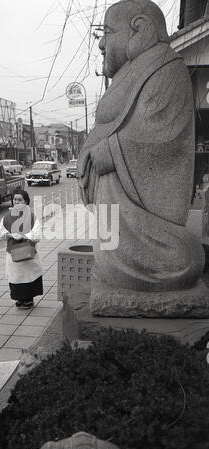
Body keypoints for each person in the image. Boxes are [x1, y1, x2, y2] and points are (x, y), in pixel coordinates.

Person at [77, 0, 205, 312]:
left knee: (180, 260)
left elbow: (162, 135)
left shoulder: (166, 69)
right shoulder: (134, 70)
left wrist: (108, 150)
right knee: (109, 257)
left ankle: (150, 260)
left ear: (139, 28)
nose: (102, 43)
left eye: (107, 32)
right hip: (114, 209)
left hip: (139, 214)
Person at [0, 188, 43, 309]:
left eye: (20, 200)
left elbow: (37, 235)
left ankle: (29, 299)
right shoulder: (6, 217)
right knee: (16, 277)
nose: (17, 202)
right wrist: (9, 235)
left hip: (28, 254)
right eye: (15, 199)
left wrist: (23, 236)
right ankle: (19, 299)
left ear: (26, 201)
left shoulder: (32, 217)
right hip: (12, 253)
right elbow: (1, 232)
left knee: (29, 276)